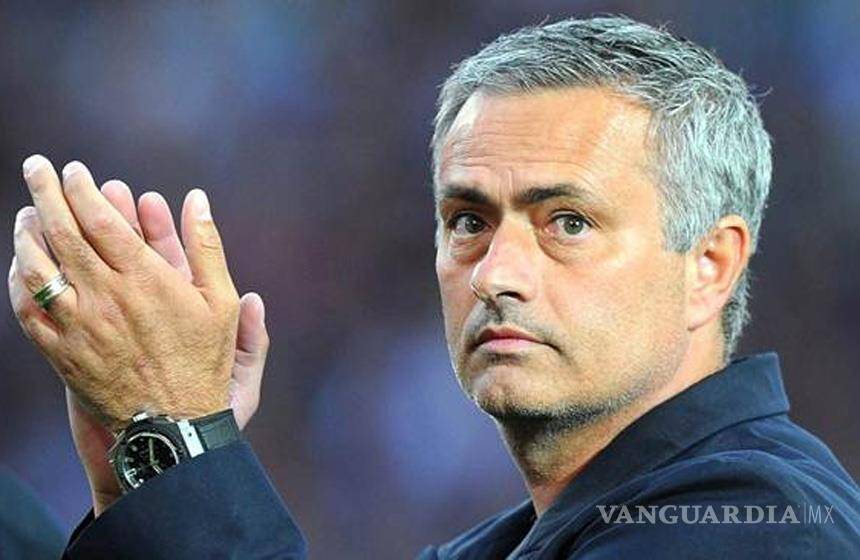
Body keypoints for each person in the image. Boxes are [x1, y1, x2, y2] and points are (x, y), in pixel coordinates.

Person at [7, 14, 860, 559]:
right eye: (468, 220)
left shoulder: (761, 524)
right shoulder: (504, 545)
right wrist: (145, 473)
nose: (495, 273)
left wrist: (181, 440)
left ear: (710, 265)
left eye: (567, 221)